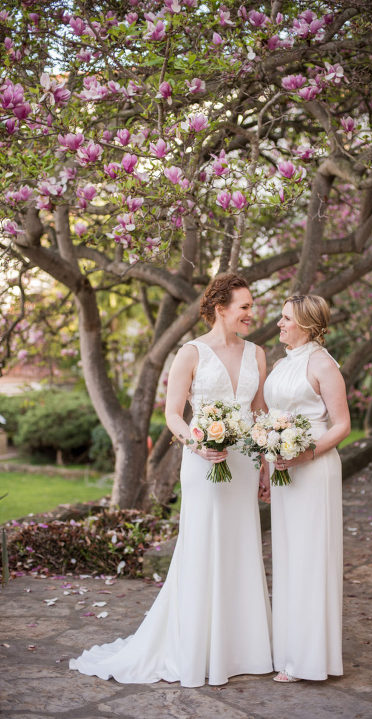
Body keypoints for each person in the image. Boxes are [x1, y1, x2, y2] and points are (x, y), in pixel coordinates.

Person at [70, 273, 272, 687]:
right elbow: (173, 414)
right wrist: (197, 443)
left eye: (252, 306)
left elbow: (259, 412)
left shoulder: (258, 354)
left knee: (240, 544)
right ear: (221, 309)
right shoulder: (190, 353)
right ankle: (197, 647)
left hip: (244, 464)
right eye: (245, 306)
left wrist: (265, 462)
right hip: (204, 461)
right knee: (203, 546)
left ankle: (241, 648)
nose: (252, 313)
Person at [263, 294, 350, 683]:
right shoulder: (282, 364)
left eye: (285, 319)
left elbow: (342, 424)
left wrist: (306, 454)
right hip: (282, 467)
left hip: (313, 470)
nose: (279, 324)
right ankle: (289, 651)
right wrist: (268, 466)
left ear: (307, 324)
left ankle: (310, 658)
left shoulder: (323, 364)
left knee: (310, 557)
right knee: (287, 556)